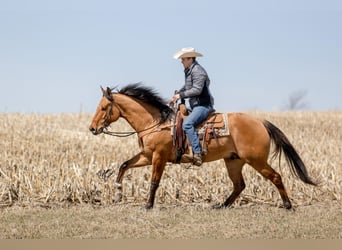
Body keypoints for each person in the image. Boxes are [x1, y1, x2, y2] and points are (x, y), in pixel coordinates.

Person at [169, 47, 214, 166]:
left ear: (190, 59)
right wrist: (177, 94)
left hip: (203, 106)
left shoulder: (197, 71)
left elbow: (197, 90)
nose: (181, 61)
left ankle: (197, 153)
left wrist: (181, 95)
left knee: (187, 124)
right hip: (196, 106)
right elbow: (187, 86)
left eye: (183, 59)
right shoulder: (190, 70)